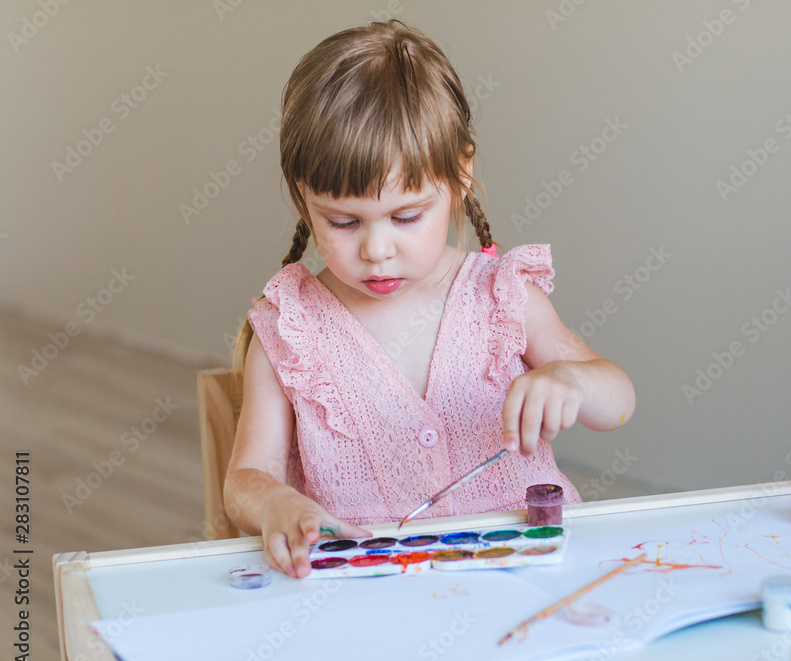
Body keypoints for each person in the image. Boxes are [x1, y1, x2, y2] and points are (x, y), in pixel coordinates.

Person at [223, 21, 635, 578]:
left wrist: (574, 381)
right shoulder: (292, 326)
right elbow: (247, 479)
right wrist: (275, 504)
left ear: (461, 173)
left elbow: (619, 404)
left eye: (406, 217)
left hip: (527, 581)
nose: (376, 249)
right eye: (342, 221)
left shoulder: (501, 296)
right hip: (371, 600)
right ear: (303, 195)